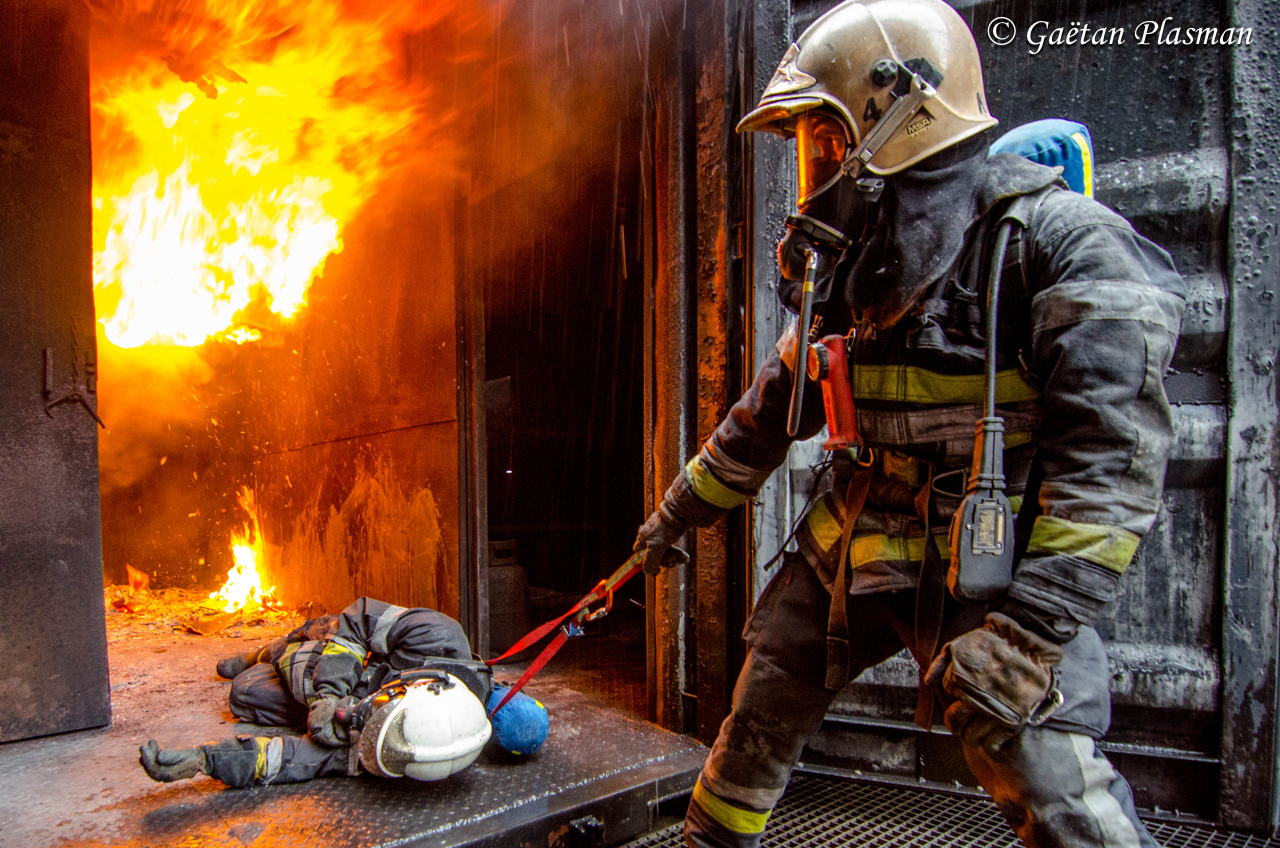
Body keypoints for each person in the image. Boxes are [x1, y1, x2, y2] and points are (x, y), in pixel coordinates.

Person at [633, 2, 1184, 847]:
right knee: (760, 711)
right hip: (856, 538)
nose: (810, 170)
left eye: (821, 137)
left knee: (1041, 770)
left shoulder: (1064, 247)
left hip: (989, 565)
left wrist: (1028, 634)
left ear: (899, 113)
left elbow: (1111, 467)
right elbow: (770, 415)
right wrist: (674, 518)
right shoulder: (855, 266)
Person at [139, 597, 549, 788]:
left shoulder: (405, 747)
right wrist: (328, 696)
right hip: (352, 657)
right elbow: (361, 617)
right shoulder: (439, 635)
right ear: (418, 689)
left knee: (245, 697)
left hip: (340, 686)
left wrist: (207, 761)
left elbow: (297, 760)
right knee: (326, 630)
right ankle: (262, 650)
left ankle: (276, 662)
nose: (363, 723)